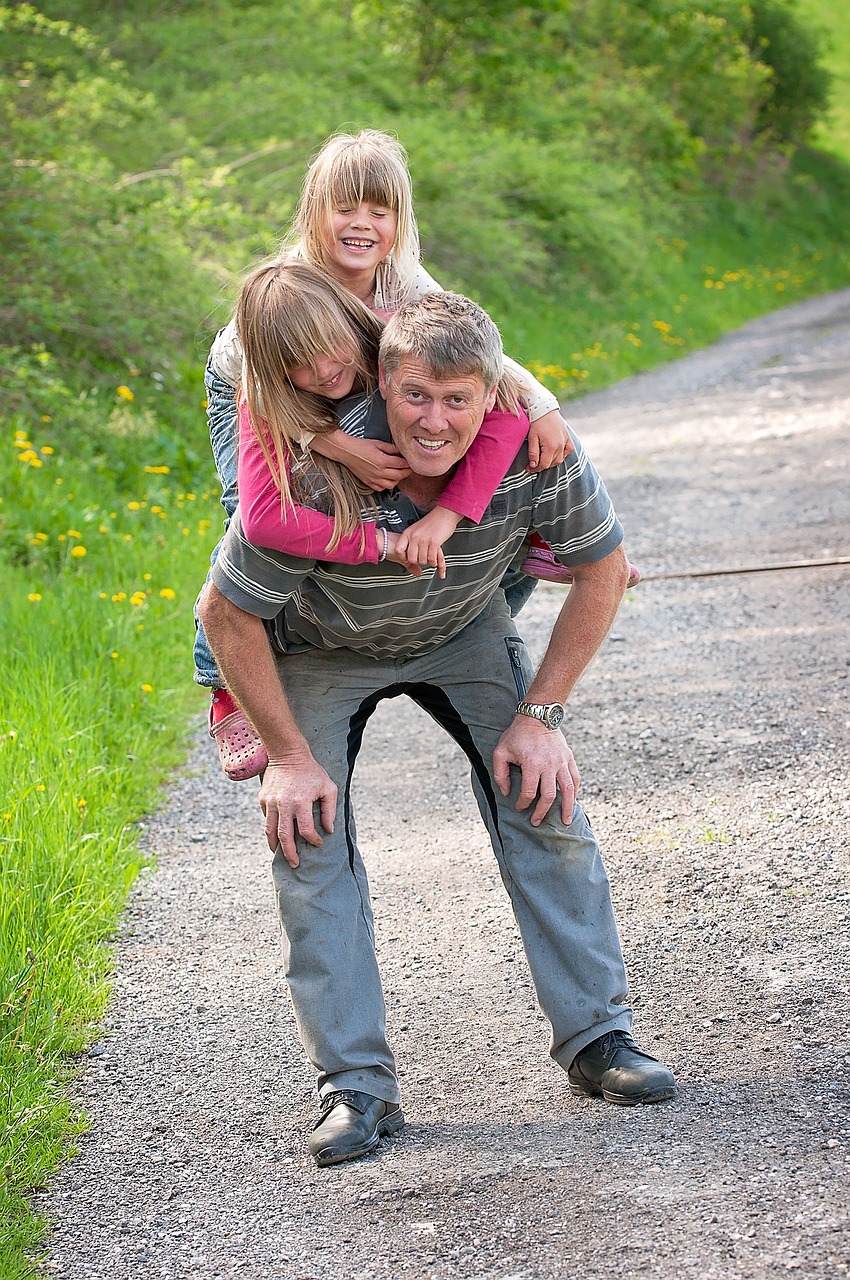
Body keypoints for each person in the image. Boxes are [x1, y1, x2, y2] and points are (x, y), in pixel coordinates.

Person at [198, 288, 676, 1168]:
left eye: (459, 400)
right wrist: (290, 757)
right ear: (382, 379)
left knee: (546, 794)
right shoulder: (314, 462)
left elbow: (602, 570)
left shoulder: (531, 450)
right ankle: (354, 1086)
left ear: (491, 395)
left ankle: (599, 1040)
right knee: (305, 834)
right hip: (320, 645)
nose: (434, 420)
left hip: (462, 629)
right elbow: (225, 614)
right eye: (415, 395)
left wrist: (541, 716)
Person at [197, 129, 590, 780]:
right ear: (312, 214)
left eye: (380, 212)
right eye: (344, 209)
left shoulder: (402, 278)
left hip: (344, 378)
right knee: (248, 516)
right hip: (261, 391)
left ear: (400, 223)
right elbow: (264, 399)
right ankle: (221, 679)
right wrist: (339, 447)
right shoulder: (284, 291)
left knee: (474, 477)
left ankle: (456, 614)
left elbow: (476, 352)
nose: (362, 225)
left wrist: (542, 404)